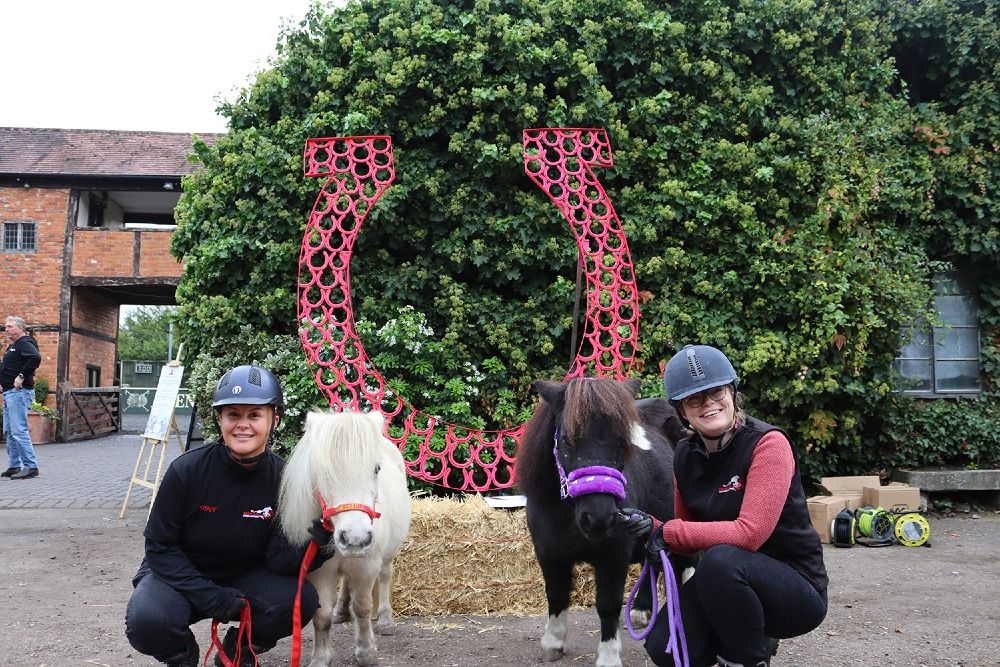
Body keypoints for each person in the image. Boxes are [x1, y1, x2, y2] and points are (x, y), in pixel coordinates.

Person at [623, 344, 827, 667]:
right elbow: (687, 539)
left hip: (795, 588)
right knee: (664, 645)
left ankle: (746, 658)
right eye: (695, 399)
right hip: (724, 585)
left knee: (720, 562)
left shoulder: (769, 445)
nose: (709, 404)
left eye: (716, 392)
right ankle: (735, 636)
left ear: (732, 392)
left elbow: (749, 534)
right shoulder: (683, 456)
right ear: (681, 411)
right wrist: (651, 530)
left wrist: (671, 531)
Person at [124, 364, 331, 667]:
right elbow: (159, 547)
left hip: (245, 575)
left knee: (302, 600)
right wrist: (211, 596)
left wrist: (319, 547)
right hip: (179, 574)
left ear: (275, 419)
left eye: (254, 415)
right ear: (220, 419)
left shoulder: (284, 480)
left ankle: (238, 649)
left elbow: (278, 559)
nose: (242, 425)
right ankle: (181, 653)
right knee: (147, 621)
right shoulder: (186, 471)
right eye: (233, 414)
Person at [2, 316, 42, 480]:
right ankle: (14, 466)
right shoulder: (13, 346)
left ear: (20, 327)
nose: (6, 329)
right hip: (9, 392)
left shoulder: (25, 342)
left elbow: (35, 358)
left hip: (18, 393)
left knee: (19, 431)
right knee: (10, 432)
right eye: (5, 327)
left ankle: (31, 467)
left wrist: (21, 376)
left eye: (10, 326)